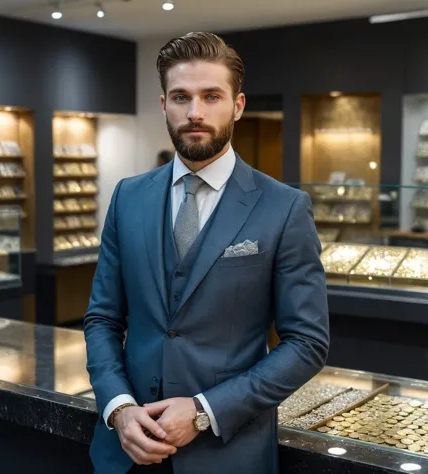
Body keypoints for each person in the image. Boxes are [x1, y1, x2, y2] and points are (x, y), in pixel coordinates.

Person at [84, 32, 329, 474]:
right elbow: (103, 318)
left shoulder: (284, 207)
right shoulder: (128, 197)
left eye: (211, 96)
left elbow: (307, 343)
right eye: (181, 97)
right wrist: (119, 407)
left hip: (227, 454)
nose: (195, 112)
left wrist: (205, 411)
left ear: (237, 105)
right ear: (163, 105)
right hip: (126, 451)